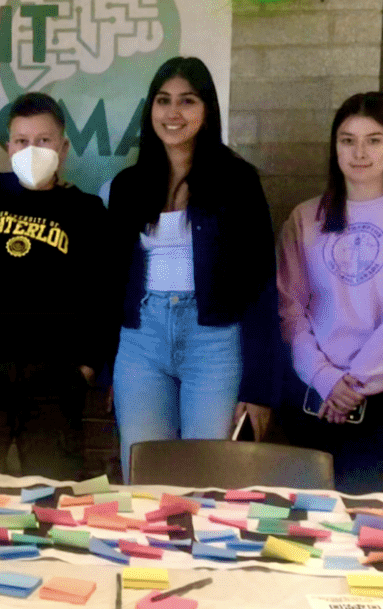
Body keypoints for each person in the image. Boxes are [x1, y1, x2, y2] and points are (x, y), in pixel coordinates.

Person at [108, 56, 281, 482]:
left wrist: (259, 389)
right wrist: (107, 364)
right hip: (140, 342)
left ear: (206, 110)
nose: (173, 113)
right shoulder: (129, 185)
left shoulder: (238, 180)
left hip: (214, 344)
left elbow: (262, 286)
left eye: (187, 101)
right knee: (145, 476)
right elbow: (111, 281)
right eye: (163, 100)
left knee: (208, 480)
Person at [277, 92, 383, 495]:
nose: (360, 152)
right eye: (347, 140)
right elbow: (289, 306)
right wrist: (324, 378)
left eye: (374, 139)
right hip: (312, 394)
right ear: (334, 148)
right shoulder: (306, 217)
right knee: (305, 525)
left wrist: (353, 384)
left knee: (370, 529)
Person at [0, 91, 112, 479]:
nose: (31, 149)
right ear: (8, 147)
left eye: (43, 140)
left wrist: (86, 366)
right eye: (21, 141)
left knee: (53, 494)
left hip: (53, 379)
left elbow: (102, 292)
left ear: (64, 147)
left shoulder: (86, 212)